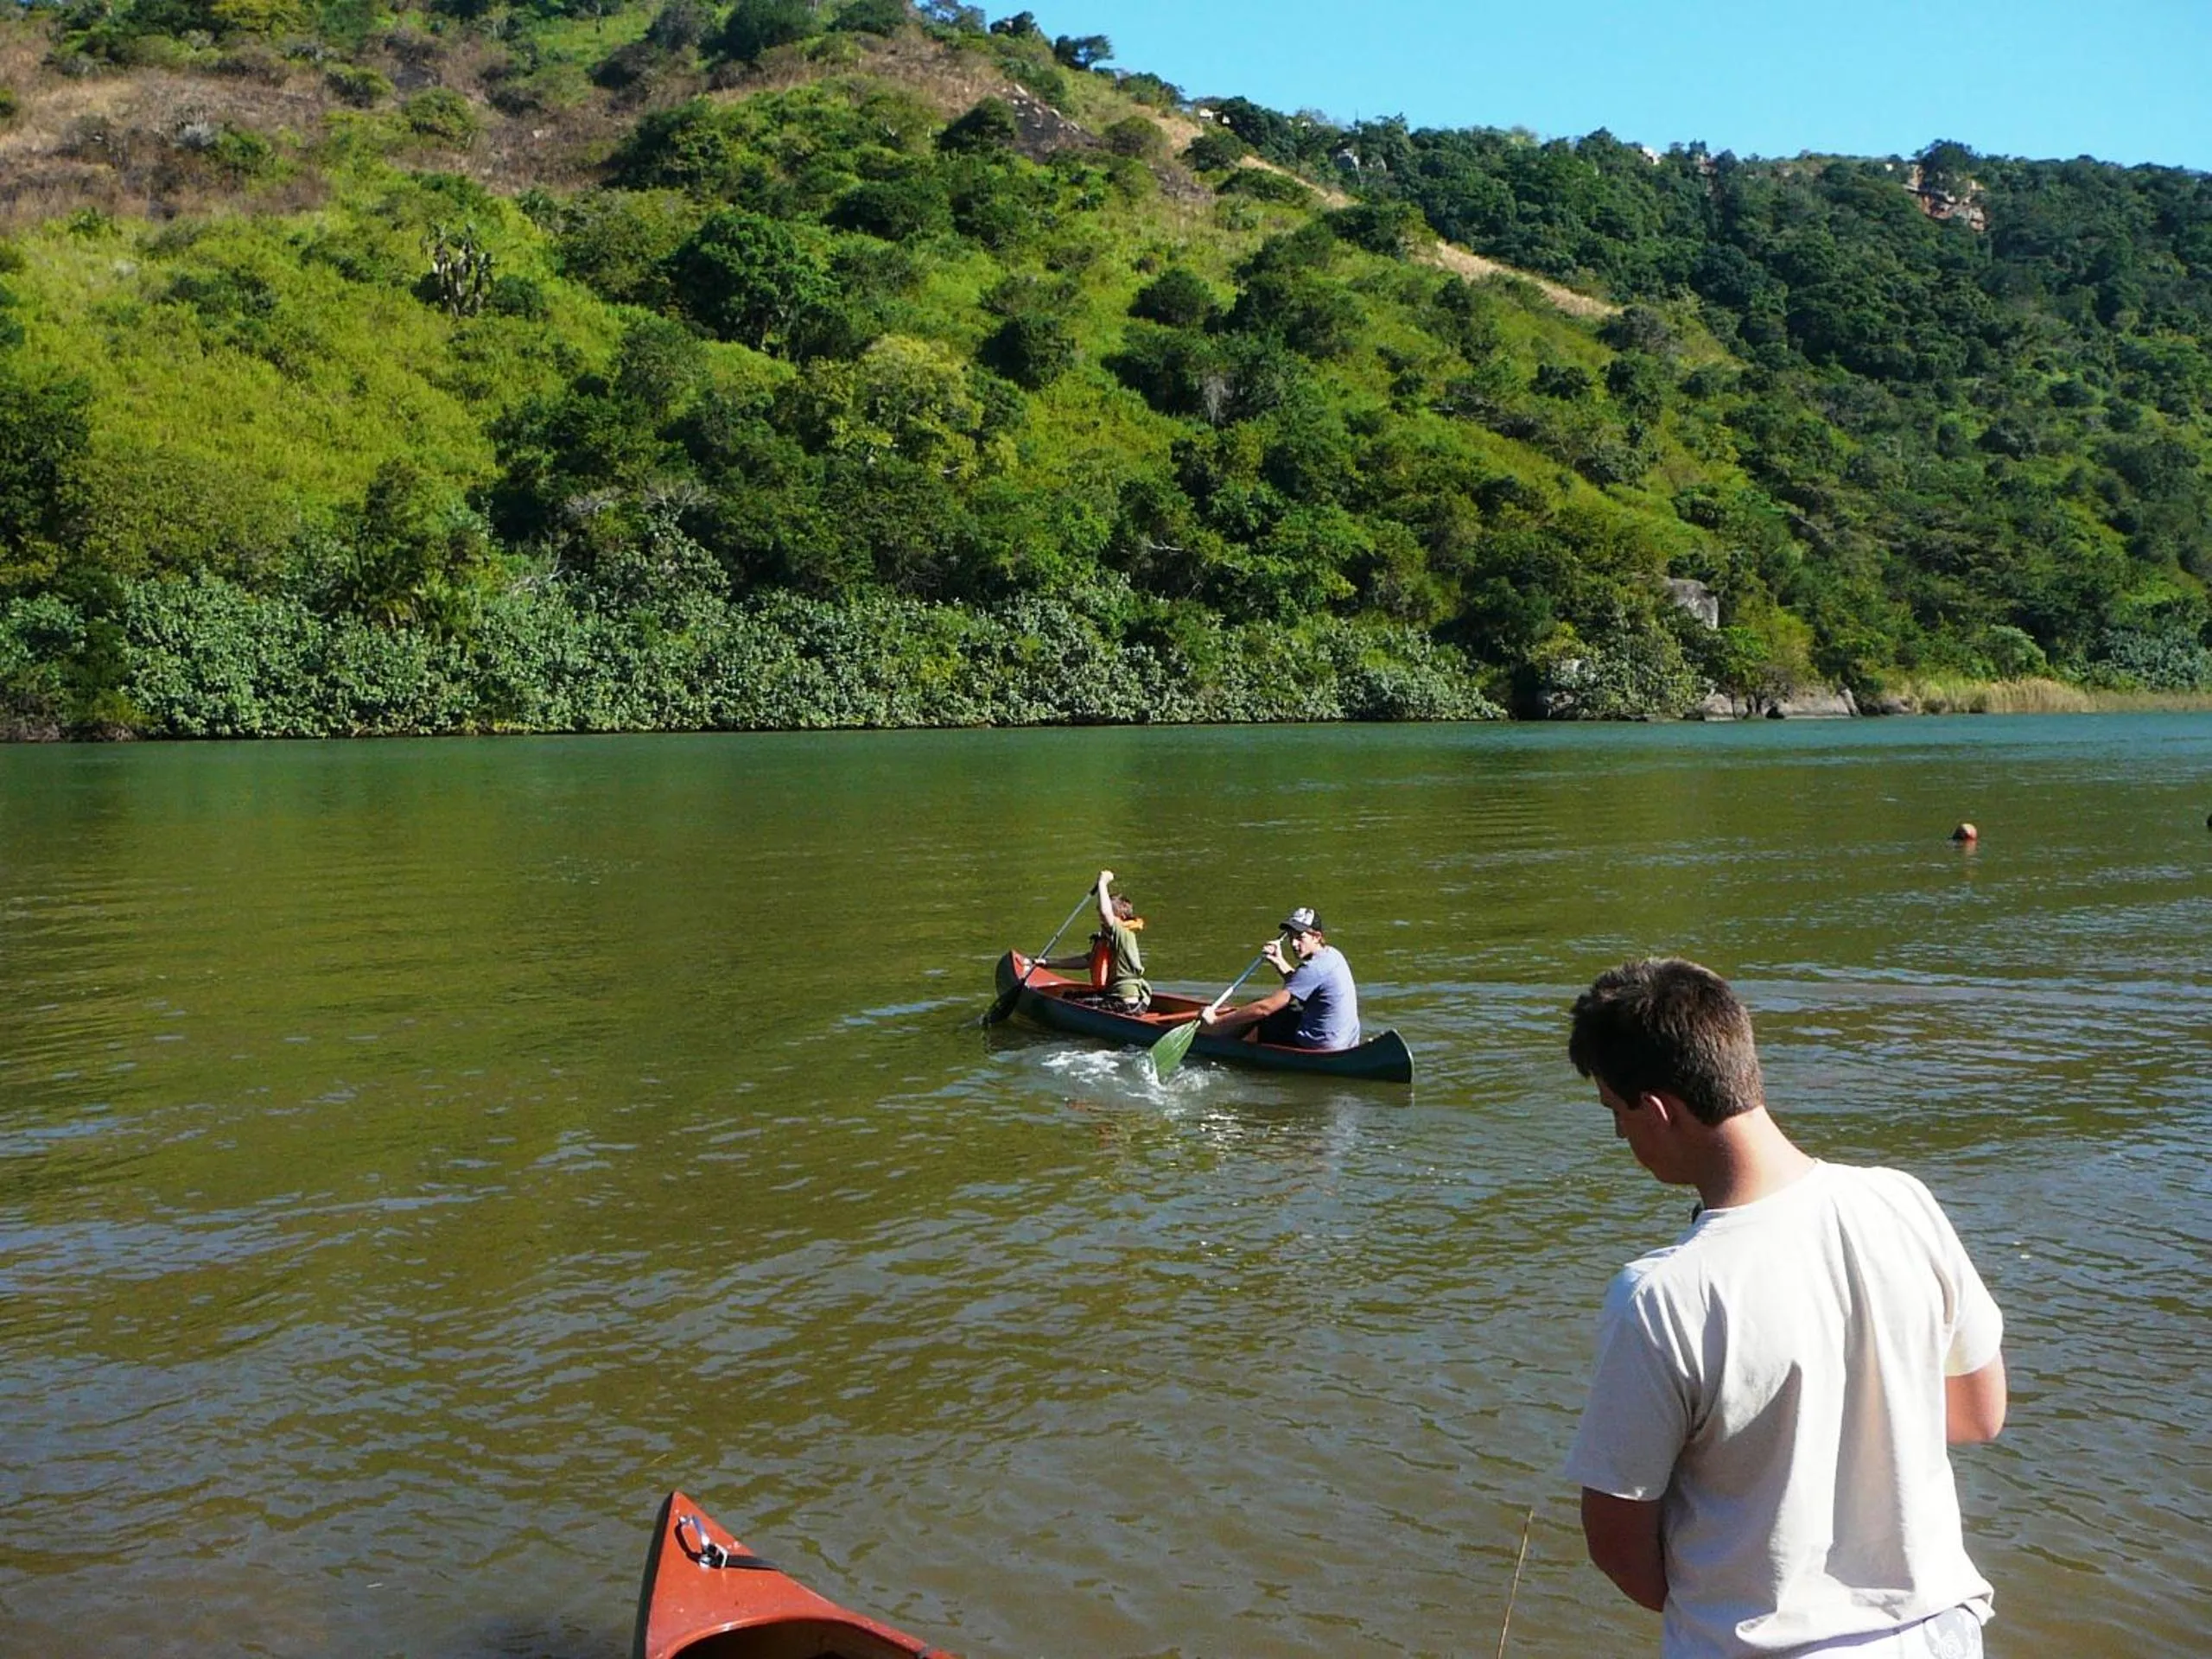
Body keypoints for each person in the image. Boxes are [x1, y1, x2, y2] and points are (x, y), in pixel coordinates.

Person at [1563, 957, 2007, 1659]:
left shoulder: (1662, 1295)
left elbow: (1618, 1542)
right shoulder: (1902, 1202)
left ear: (1656, 1111)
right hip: (1938, 1635)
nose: (1622, 1138)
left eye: (1616, 1115)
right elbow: (1980, 1414)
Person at [1199, 905, 1359, 1049]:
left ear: (1316, 936)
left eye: (1300, 937)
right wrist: (1278, 960)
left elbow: (1265, 1008)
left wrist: (1216, 1022)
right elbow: (1300, 983)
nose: (1294, 944)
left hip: (1320, 1045)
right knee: (1282, 1011)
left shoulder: (1312, 968)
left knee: (1261, 1015)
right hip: (1345, 1042)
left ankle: (1218, 1047)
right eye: (1291, 937)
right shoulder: (1332, 955)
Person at [1039, 868, 1150, 1013]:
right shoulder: (1109, 939)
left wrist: (1102, 883)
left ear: (1122, 917)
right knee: (1069, 995)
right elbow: (1087, 961)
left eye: (1109, 915)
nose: (1101, 920)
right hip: (1116, 998)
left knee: (1068, 1002)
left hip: (1125, 1003)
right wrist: (1048, 963)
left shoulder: (1123, 933)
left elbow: (1105, 914)